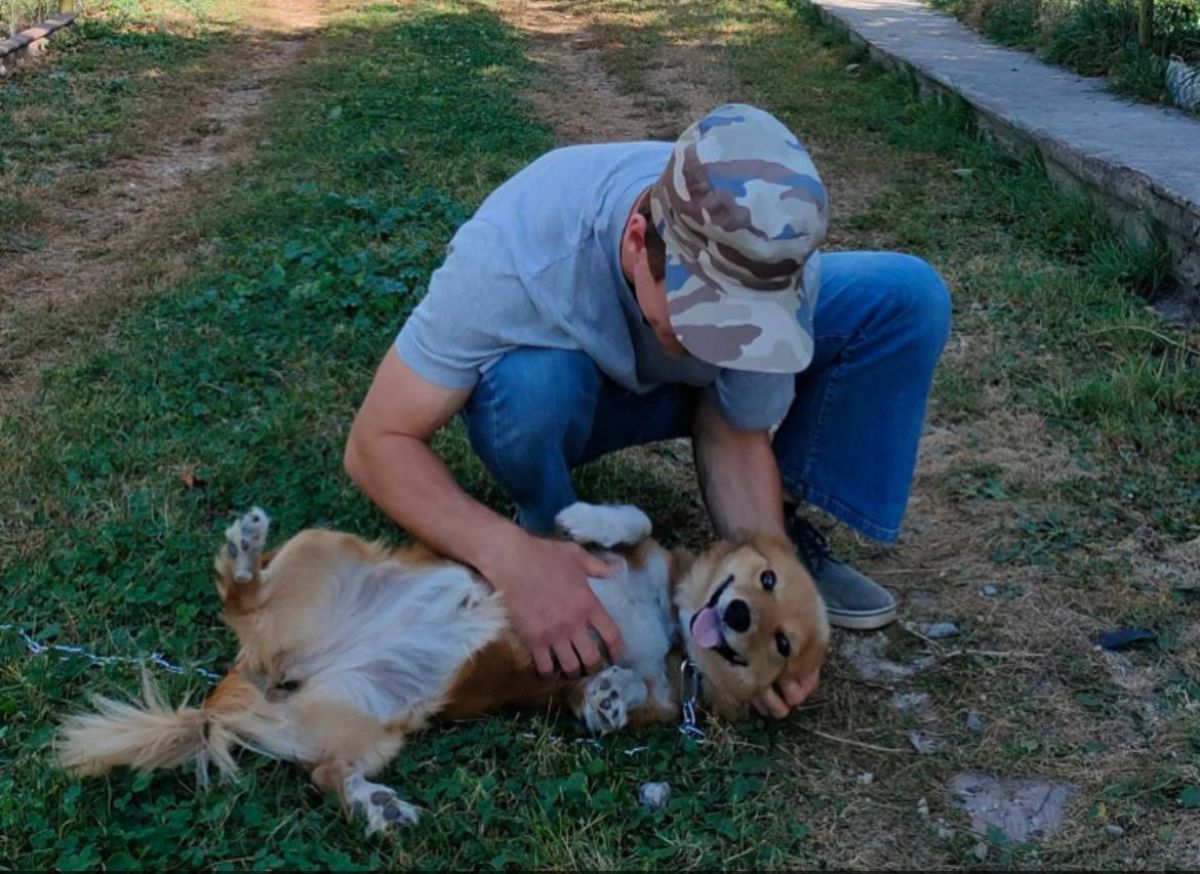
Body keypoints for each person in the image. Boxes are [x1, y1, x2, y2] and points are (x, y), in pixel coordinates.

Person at [344, 104, 951, 718]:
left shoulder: (771, 262)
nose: (721, 349)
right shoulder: (517, 251)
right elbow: (378, 440)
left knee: (903, 297)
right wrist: (510, 559)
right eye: (705, 322)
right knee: (531, 386)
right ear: (638, 241)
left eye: (743, 330)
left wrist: (774, 581)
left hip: (676, 393)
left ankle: (787, 535)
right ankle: (552, 537)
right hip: (572, 396)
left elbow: (736, 434)